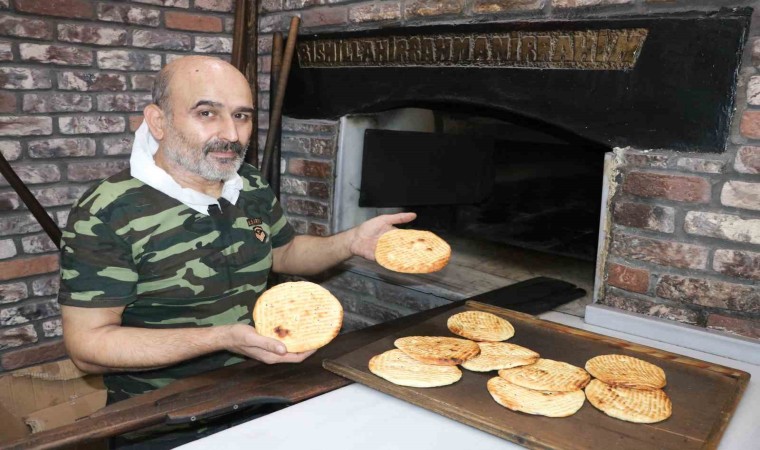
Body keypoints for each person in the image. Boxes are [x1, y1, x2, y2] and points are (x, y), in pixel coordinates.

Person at [57, 55, 414, 447]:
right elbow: (88, 348)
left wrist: (351, 242)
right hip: (163, 420)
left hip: (262, 393)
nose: (231, 133)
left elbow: (286, 251)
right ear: (158, 121)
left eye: (242, 116)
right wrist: (222, 337)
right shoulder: (107, 212)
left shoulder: (248, 183)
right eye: (207, 113)